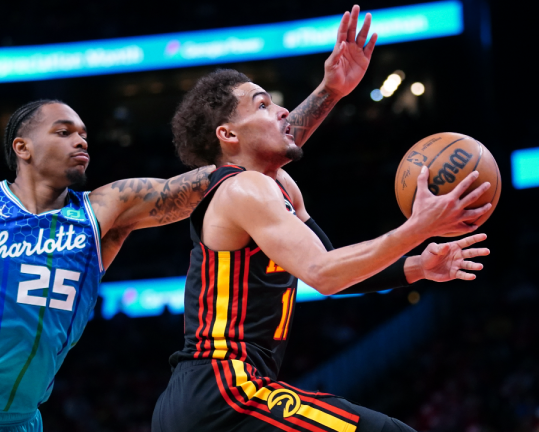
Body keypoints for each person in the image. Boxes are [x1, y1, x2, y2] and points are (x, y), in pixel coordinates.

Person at [0, 20, 357, 428]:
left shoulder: (104, 211)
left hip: (20, 420)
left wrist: (328, 92)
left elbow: (237, 165)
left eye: (85, 132)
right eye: (65, 131)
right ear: (22, 147)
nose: (82, 139)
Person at [152, 7, 493, 432]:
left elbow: (333, 265)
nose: (280, 112)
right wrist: (418, 227)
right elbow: (324, 275)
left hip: (205, 399)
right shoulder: (244, 188)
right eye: (263, 104)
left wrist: (419, 266)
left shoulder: (277, 186)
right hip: (224, 391)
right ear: (228, 135)